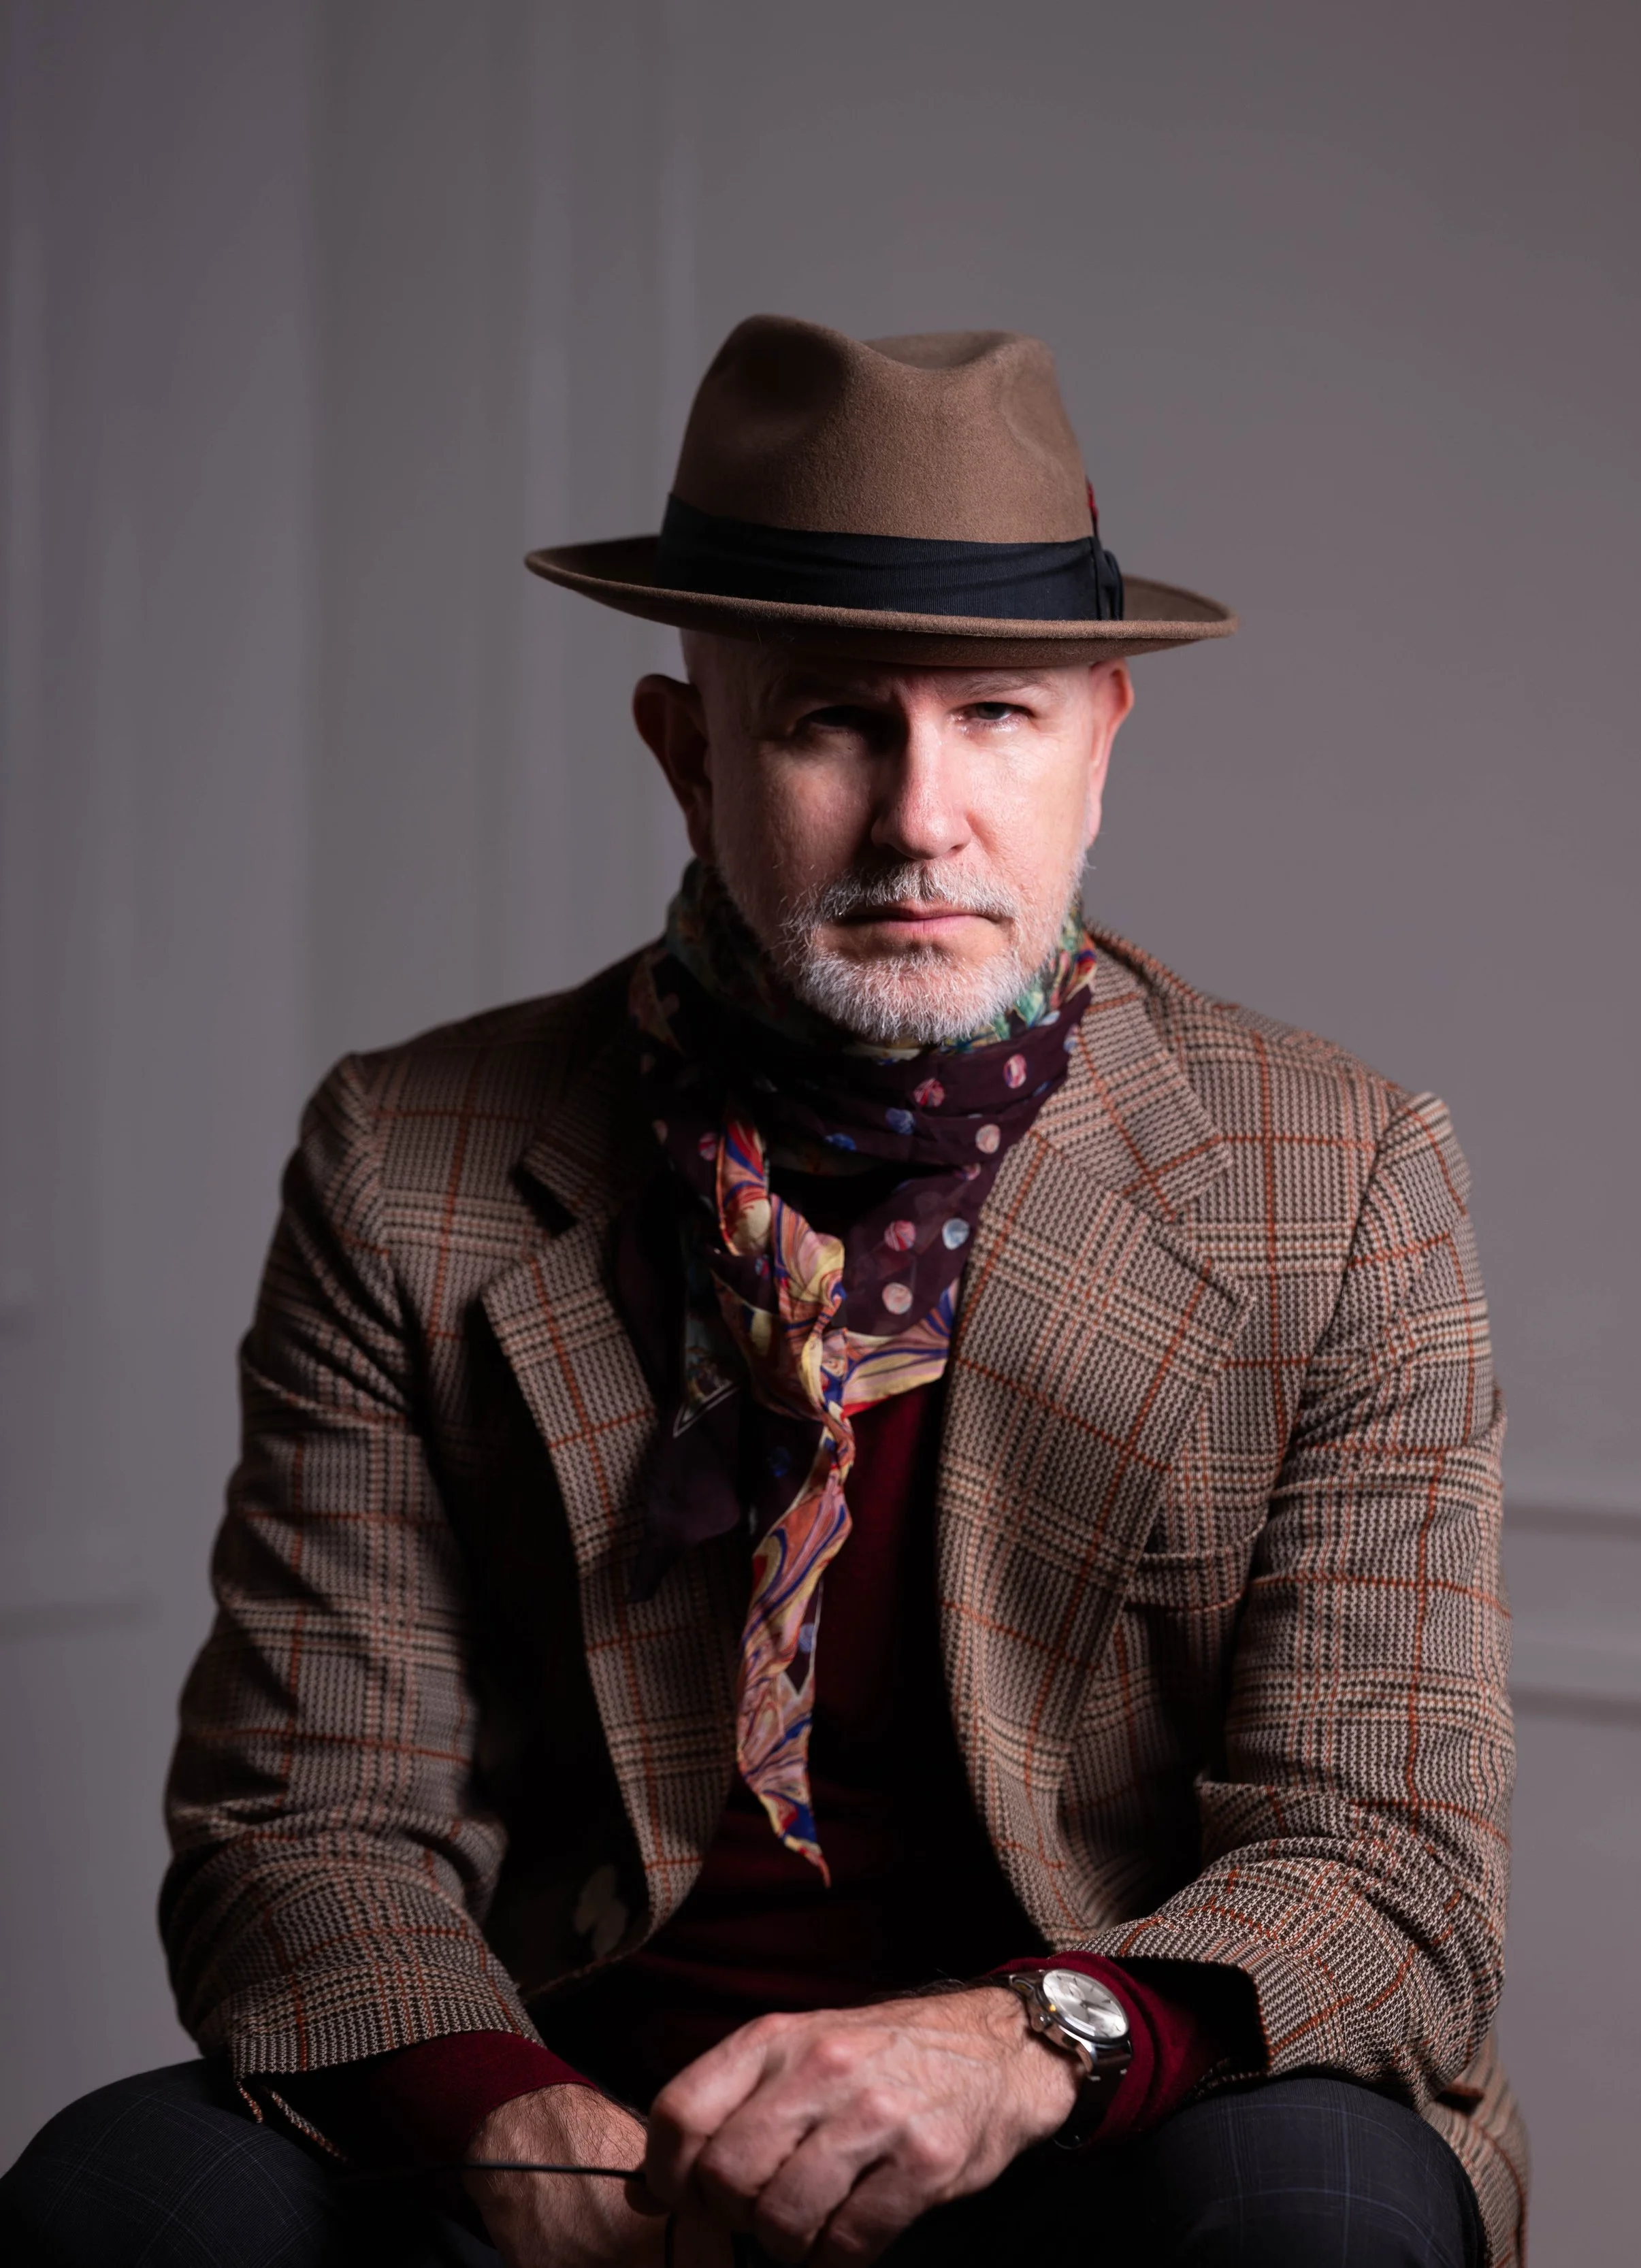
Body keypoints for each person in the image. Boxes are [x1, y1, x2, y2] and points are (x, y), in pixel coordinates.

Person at [1, 316, 1524, 2268]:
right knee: (125, 2198)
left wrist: (1011, 2045)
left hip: (1082, 2125)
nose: (917, 817)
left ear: (1101, 743)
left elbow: (1381, 1866)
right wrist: (513, 2128)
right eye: (828, 719)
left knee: (1322, 2209)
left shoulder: (1337, 1178)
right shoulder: (414, 1162)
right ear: (684, 747)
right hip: (578, 2116)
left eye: (996, 717)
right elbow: (302, 1826)